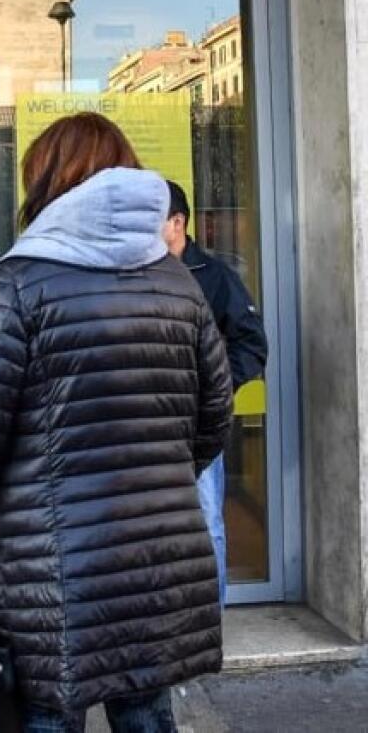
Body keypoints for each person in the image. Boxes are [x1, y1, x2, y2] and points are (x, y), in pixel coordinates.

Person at [0, 112, 233, 733]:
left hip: (48, 567)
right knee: (145, 707)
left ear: (48, 182)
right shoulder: (177, 283)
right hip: (154, 560)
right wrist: (158, 482)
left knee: (47, 711)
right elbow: (215, 414)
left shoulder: (20, 284)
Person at [163, 180, 268, 605]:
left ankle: (212, 619)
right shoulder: (137, 273)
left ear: (178, 222)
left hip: (199, 423)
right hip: (151, 419)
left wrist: (218, 389)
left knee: (206, 520)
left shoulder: (215, 276)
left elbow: (251, 343)